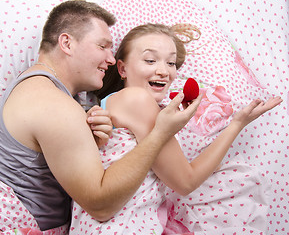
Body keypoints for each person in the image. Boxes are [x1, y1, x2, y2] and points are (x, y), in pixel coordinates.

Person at [0, 0, 201, 234]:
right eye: (102, 46)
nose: (111, 59)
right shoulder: (52, 103)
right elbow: (101, 205)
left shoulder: (41, 89)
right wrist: (160, 133)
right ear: (67, 43)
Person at [69, 23, 283, 234]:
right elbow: (185, 181)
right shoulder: (137, 100)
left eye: (171, 63)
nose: (163, 71)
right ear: (122, 69)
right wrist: (237, 124)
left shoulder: (116, 102)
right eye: (150, 60)